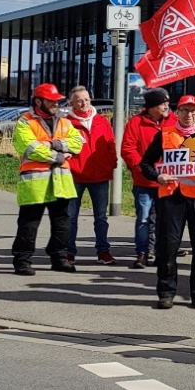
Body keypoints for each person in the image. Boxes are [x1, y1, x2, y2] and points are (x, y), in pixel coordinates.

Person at [140, 95, 195, 310]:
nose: (188, 115)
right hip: (171, 197)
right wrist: (157, 176)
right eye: (184, 110)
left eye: (193, 111)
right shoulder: (164, 135)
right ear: (177, 112)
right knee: (168, 246)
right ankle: (166, 292)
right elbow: (145, 163)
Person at [11, 82, 84, 276]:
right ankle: (22, 260)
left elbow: (78, 143)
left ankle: (59, 258)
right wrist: (60, 156)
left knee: (63, 223)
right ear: (38, 101)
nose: (55, 104)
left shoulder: (64, 121)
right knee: (29, 224)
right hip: (35, 183)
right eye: (51, 101)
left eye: (57, 101)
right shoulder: (25, 121)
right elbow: (30, 148)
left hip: (61, 182)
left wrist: (55, 144)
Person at [60, 87, 117, 266]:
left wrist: (111, 163)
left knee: (101, 217)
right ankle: (69, 253)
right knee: (71, 217)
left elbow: (110, 143)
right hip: (74, 176)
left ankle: (103, 251)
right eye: (79, 100)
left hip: (100, 176)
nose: (84, 103)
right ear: (71, 103)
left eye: (86, 99)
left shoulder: (102, 121)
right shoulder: (65, 123)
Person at [120, 88, 171, 269]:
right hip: (144, 181)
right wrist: (143, 169)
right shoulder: (135, 123)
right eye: (162, 103)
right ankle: (142, 253)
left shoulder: (172, 121)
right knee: (143, 218)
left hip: (167, 181)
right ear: (151, 106)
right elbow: (128, 149)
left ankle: (160, 253)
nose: (166, 106)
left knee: (164, 219)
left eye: (167, 102)